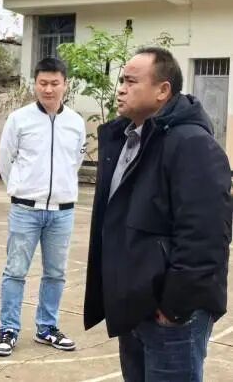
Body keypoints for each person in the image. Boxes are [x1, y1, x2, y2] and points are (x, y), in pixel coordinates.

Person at [84, 46, 232, 382]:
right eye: (121, 80)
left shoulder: (191, 144)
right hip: (135, 306)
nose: (121, 89)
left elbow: (206, 236)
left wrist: (174, 307)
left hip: (172, 316)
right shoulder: (126, 139)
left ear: (163, 90)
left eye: (131, 81)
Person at [0, 57, 86, 357]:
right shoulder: (19, 119)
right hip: (25, 209)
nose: (48, 89)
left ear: (65, 85)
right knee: (15, 271)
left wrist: (60, 189)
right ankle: (8, 329)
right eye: (43, 83)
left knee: (56, 273)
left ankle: (47, 327)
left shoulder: (75, 122)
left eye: (54, 83)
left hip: (62, 211)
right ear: (35, 84)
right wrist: (21, 188)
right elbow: (5, 160)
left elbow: (75, 162)